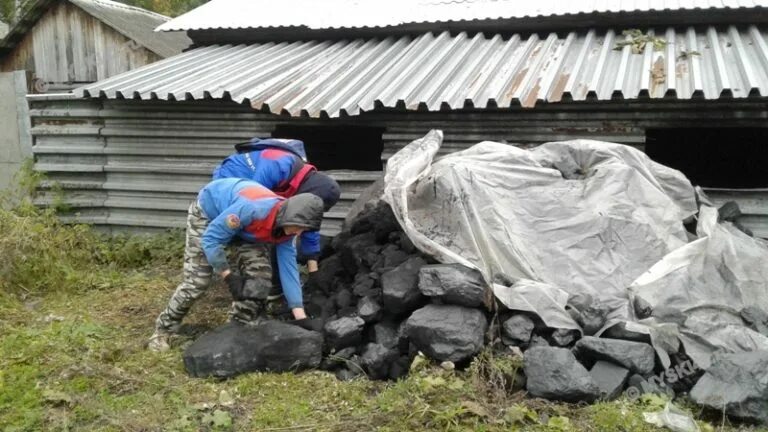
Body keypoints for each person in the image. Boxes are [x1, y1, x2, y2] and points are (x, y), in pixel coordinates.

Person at [148, 178, 325, 352]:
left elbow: (288, 268)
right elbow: (211, 239)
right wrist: (228, 275)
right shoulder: (254, 209)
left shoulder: (287, 230)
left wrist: (299, 313)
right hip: (210, 214)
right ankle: (163, 330)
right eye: (299, 226)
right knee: (197, 281)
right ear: (290, 215)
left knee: (260, 278)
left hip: (249, 229)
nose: (299, 232)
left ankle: (238, 326)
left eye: (304, 229)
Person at [212, 137, 340, 298]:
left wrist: (313, 271)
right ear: (308, 193)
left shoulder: (307, 190)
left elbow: (310, 226)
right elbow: (252, 200)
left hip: (256, 195)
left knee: (279, 237)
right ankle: (247, 287)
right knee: (255, 240)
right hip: (231, 184)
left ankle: (271, 286)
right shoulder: (279, 165)